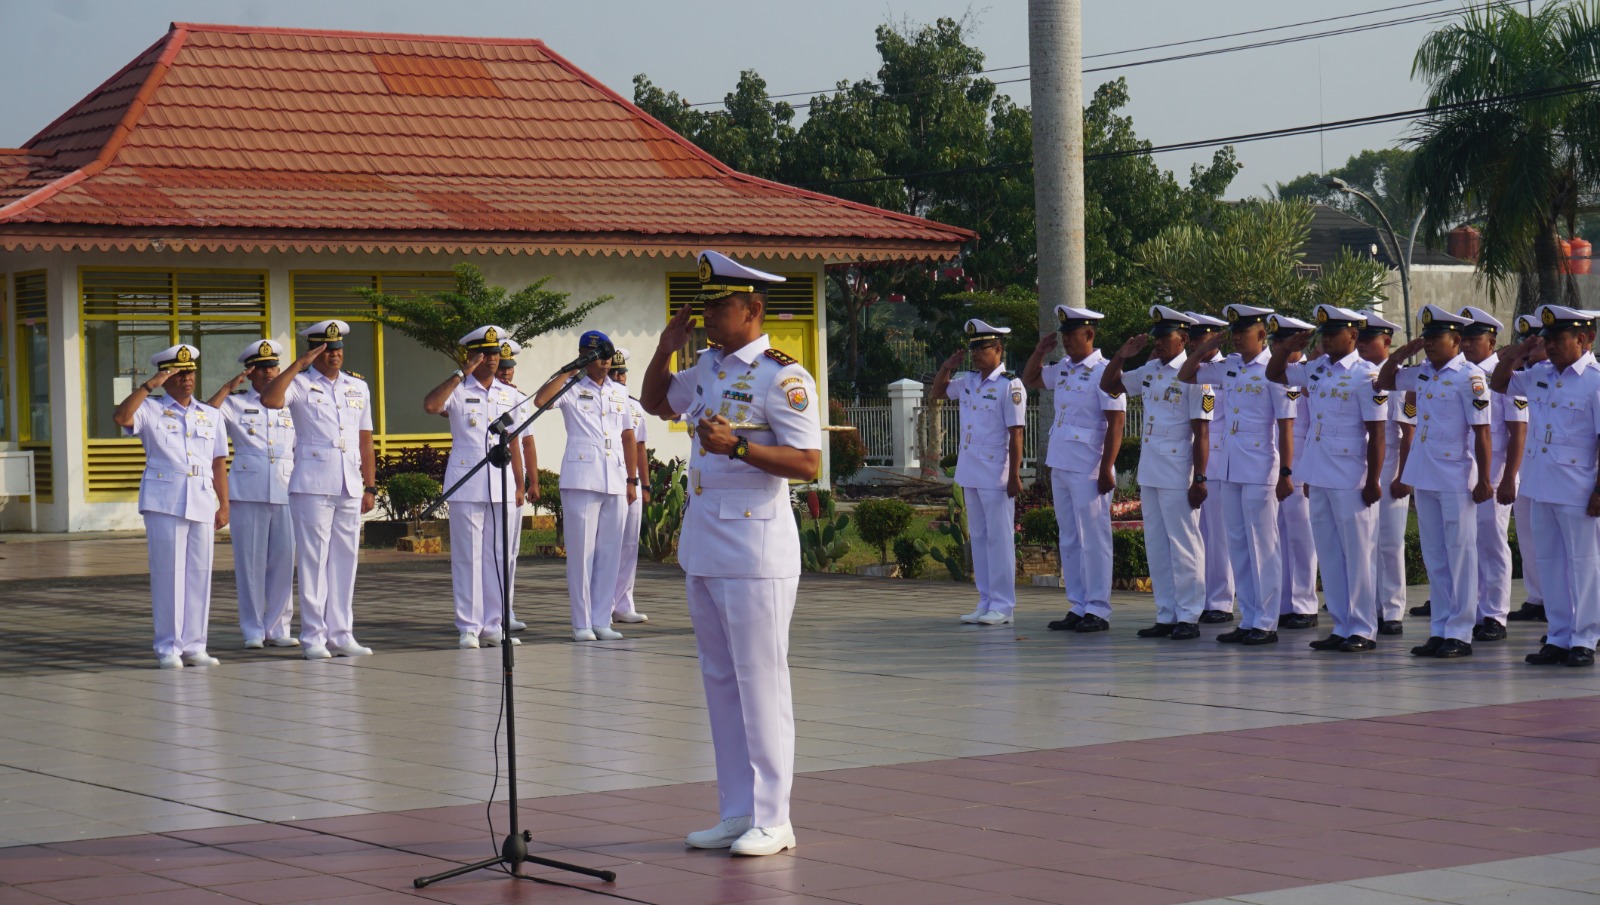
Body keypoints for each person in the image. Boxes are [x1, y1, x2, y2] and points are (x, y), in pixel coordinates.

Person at [640, 249, 821, 857]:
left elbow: (808, 464)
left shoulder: (784, 377)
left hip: (756, 547)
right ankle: (736, 810)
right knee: (720, 681)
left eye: (721, 306)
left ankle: (776, 817)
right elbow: (654, 403)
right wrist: (666, 345)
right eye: (706, 306)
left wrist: (739, 449)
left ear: (754, 308)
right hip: (706, 543)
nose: (710, 316)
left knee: (761, 681)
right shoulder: (708, 367)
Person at [1267, 304, 1387, 653]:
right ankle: (1342, 624)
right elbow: (1275, 374)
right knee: (1331, 554)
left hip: (1351, 476)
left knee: (1358, 555)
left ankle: (1363, 628)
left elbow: (1376, 434)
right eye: (1324, 334)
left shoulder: (1367, 375)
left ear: (1353, 335)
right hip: (1318, 472)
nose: (1328, 340)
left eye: (1334, 333)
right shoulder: (1316, 368)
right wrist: (1290, 347)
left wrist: (1373, 479)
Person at [1377, 306, 1493, 658]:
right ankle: (1440, 628)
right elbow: (1384, 381)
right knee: (1435, 555)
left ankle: (1460, 631)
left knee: (1460, 553)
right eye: (1425, 338)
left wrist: (1484, 478)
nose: (1427, 344)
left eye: (1434, 338)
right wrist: (1401, 353)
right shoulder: (1423, 373)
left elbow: (1482, 432)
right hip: (1425, 472)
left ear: (1456, 340)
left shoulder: (1470, 378)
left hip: (1457, 476)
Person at [1489, 304, 1600, 668]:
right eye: (1547, 339)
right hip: (1540, 485)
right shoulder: (1538, 374)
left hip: (1578, 488)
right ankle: (1559, 636)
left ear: (1585, 339)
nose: (1550, 346)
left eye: (1559, 339)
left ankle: (1585, 637)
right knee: (1550, 564)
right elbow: (1498, 382)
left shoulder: (1595, 381)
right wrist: (1519, 352)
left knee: (1584, 565)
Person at [260, 320, 376, 660]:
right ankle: (313, 636)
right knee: (314, 560)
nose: (336, 355)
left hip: (349, 482)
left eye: (339, 349)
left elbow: (365, 439)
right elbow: (270, 399)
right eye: (328, 350)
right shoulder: (299, 384)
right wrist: (298, 365)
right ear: (315, 351)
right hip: (312, 484)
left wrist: (370, 484)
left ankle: (342, 633)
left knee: (345, 560)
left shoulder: (357, 387)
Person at [1179, 304, 1294, 645]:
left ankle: (1267, 622)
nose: (1237, 339)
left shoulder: (1275, 370)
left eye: (1242, 332)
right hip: (1229, 465)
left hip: (1260, 467)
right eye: (1234, 333)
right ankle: (1249, 618)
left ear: (1261, 335)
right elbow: (1186, 375)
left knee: (1264, 546)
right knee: (1239, 546)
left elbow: (1286, 427)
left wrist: (1286, 473)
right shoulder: (1229, 367)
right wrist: (1203, 347)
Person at [113, 344, 230, 669]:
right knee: (168, 575)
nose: (187, 378)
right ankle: (168, 646)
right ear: (166, 377)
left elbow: (218, 462)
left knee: (199, 575)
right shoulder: (151, 409)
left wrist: (224, 505)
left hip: (203, 497)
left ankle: (195, 645)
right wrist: (149, 385)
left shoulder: (210, 414)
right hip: (165, 500)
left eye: (190, 372)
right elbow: (121, 417)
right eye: (178, 373)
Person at [1102, 304, 1213, 641]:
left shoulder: (1196, 376)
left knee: (1184, 543)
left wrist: (1200, 478)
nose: (1160, 342)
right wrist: (1121, 355)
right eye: (1157, 337)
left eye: (1166, 337)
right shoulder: (1149, 369)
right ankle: (1166, 613)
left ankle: (1190, 615)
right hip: (1150, 467)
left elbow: (1202, 433)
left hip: (1180, 468)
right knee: (1156, 544)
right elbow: (1110, 385)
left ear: (1184, 339)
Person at [1023, 305, 1125, 634]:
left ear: (1090, 335)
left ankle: (1098, 608)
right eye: (1064, 335)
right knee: (1069, 537)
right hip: (1062, 462)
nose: (1066, 341)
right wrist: (1039, 351)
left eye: (1072, 335)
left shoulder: (1106, 372)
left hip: (1090, 466)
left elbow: (1116, 423)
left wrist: (1107, 467)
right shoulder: (1063, 368)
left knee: (1094, 538)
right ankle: (1078, 604)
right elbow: (1031, 380)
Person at [423, 326, 526, 650]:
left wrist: (521, 483)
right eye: (486, 354)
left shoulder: (508, 395)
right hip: (467, 480)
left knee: (499, 557)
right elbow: (430, 405)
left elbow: (516, 442)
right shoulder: (457, 389)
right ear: (473, 356)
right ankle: (468, 626)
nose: (493, 360)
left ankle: (494, 624)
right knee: (468, 557)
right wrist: (459, 373)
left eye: (496, 353)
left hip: (502, 481)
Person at [535, 330, 638, 642]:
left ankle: (602, 619)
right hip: (581, 478)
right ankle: (581, 623)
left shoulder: (619, 393)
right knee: (582, 555)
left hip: (616, 477)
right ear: (585, 356)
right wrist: (570, 369)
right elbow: (541, 400)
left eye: (608, 358)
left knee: (610, 553)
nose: (605, 364)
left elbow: (628, 436)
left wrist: (632, 479)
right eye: (598, 357)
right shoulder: (570, 387)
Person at [932, 319, 1027, 626]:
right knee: (981, 538)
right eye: (972, 348)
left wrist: (1014, 475)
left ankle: (1003, 605)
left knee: (1000, 539)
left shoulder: (1010, 385)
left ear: (998, 350)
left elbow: (1016, 434)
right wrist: (947, 367)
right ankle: (985, 600)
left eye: (981, 347)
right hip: (971, 470)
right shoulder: (969, 381)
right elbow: (939, 393)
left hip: (996, 472)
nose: (975, 354)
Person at [207, 339, 298, 650]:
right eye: (262, 369)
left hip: (287, 489)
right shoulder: (235, 403)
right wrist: (226, 388)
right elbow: (205, 416)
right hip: (248, 491)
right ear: (250, 373)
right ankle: (252, 629)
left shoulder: (291, 402)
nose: (270, 372)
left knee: (284, 563)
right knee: (250, 564)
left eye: (273, 366)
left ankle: (279, 627)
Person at [1458, 307, 1527, 642]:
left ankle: (1495, 615)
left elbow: (1518, 433)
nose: (1467, 344)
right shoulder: (1459, 373)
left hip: (1495, 472)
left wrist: (1509, 477)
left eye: (1474, 339)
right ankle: (1472, 608)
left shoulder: (1506, 376)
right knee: (1466, 543)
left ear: (1492, 341)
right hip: (1461, 470)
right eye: (1464, 338)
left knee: (1491, 542)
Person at [1358, 309, 1415, 636]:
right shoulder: (1358, 374)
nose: (1363, 344)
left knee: (1390, 542)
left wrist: (1403, 476)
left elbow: (1407, 432)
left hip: (1391, 464)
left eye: (1370, 339)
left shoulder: (1400, 380)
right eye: (1360, 339)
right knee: (1365, 542)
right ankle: (1371, 606)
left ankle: (1392, 609)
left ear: (1388, 341)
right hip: (1360, 464)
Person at [1268, 316, 1321, 630]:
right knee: (1282, 535)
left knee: (1302, 537)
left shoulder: (1306, 373)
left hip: (1300, 464)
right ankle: (1286, 603)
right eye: (1276, 341)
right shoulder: (1281, 373)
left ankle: (1304, 603)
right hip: (1277, 461)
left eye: (1284, 340)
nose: (1278, 346)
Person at [1185, 311, 1236, 624]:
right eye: (1192, 338)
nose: (1194, 343)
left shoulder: (1227, 369)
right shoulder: (1197, 371)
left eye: (1200, 337)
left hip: (1222, 461)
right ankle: (1203, 597)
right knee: (1200, 535)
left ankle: (1220, 600)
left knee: (1219, 537)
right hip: (1198, 462)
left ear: (1215, 338)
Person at [1507, 314, 1549, 624]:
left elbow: (1520, 428)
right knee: (1529, 535)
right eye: (1526, 341)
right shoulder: (1525, 375)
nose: (1529, 347)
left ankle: (1554, 598)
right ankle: (1538, 596)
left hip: (1551, 468)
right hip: (1528, 468)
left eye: (1535, 340)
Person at [494, 338, 536, 633]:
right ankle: (489, 612)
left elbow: (525, 442)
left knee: (509, 550)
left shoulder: (517, 398)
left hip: (511, 481)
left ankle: (506, 608)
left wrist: (529, 482)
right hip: (489, 480)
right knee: (490, 551)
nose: (506, 372)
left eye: (510, 368)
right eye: (502, 367)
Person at [608, 347, 652, 625]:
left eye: (623, 372)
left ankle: (623, 602)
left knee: (628, 546)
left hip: (632, 482)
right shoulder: (603, 402)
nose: (621, 377)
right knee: (608, 545)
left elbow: (640, 447)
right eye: (616, 372)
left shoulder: (634, 406)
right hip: (610, 480)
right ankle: (603, 603)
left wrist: (645, 485)